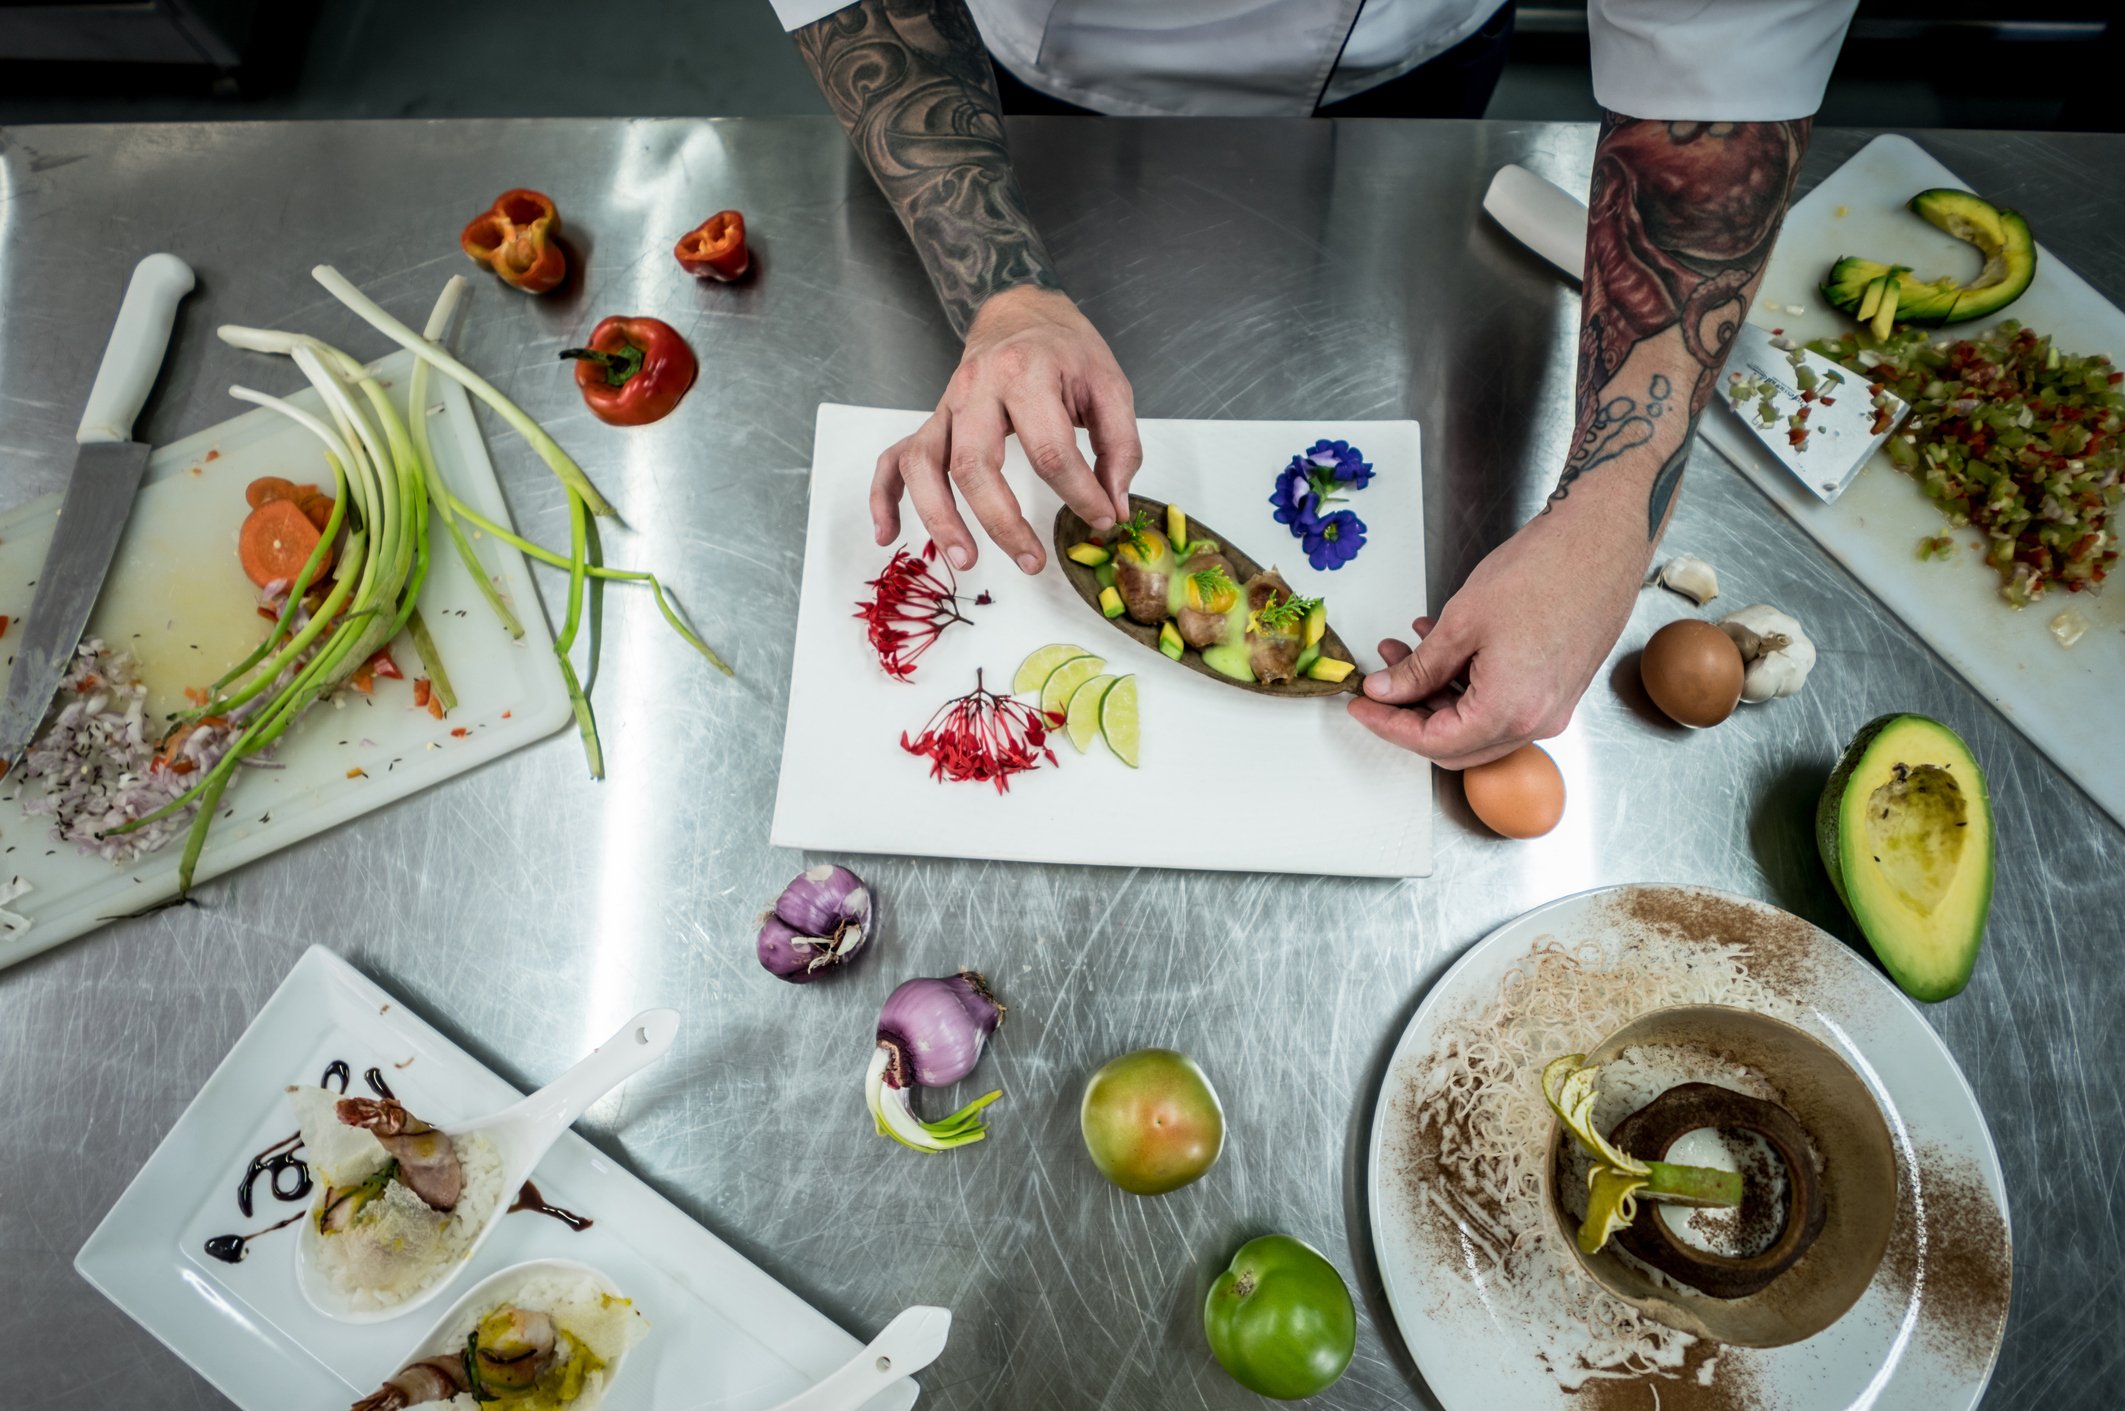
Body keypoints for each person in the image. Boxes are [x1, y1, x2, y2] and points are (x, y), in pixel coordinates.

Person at [773, 0, 1858, 768]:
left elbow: (1719, 71)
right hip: (1042, 65)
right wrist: (1004, 294)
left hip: (1410, 58)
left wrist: (1613, 514)